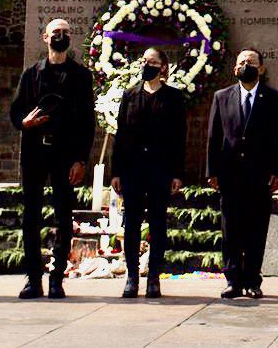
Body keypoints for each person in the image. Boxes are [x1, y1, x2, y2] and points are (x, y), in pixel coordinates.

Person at [10, 17, 96, 299]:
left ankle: (57, 277)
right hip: (35, 151)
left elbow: (87, 121)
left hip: (65, 153)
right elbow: (15, 112)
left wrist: (81, 159)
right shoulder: (31, 74)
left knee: (63, 215)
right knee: (31, 216)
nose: (61, 35)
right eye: (55, 32)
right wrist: (25, 122)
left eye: (65, 32)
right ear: (45, 37)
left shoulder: (81, 76)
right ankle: (33, 278)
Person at [207, 47, 278, 300]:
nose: (246, 65)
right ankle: (233, 280)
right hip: (230, 175)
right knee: (230, 230)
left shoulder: (275, 99)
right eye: (242, 62)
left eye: (251, 62)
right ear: (235, 68)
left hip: (260, 176)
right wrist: (212, 171)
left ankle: (253, 280)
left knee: (256, 230)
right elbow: (214, 137)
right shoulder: (222, 97)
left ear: (261, 68)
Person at [110, 46, 187, 298]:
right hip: (132, 169)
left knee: (157, 223)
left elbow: (179, 138)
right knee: (131, 223)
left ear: (163, 67)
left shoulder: (173, 97)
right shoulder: (130, 95)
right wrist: (116, 171)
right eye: (144, 60)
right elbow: (121, 135)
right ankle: (132, 277)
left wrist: (177, 173)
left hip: (159, 169)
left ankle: (154, 277)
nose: (146, 65)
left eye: (152, 62)